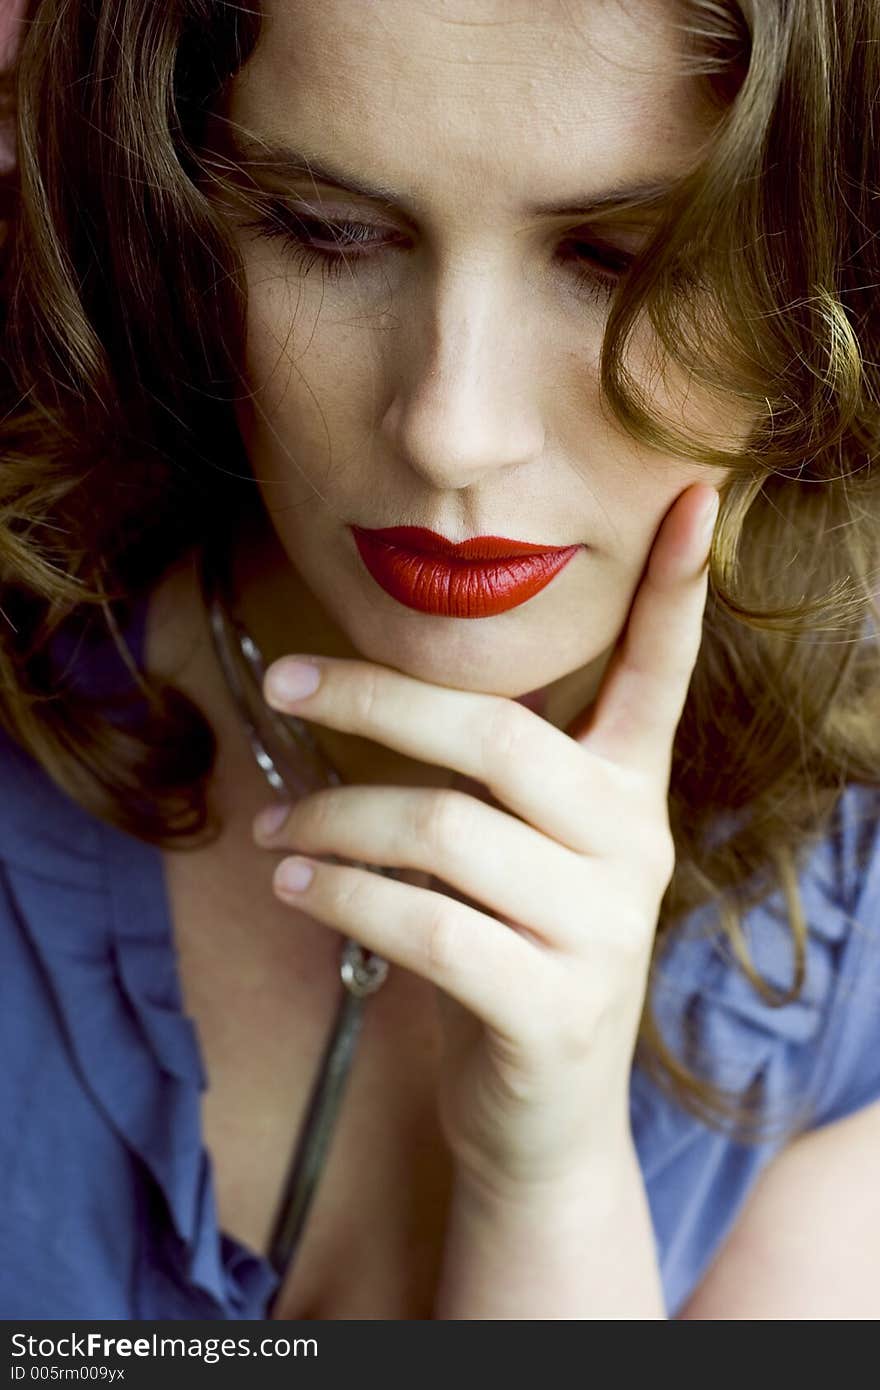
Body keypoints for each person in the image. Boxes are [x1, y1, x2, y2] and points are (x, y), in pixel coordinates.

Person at [0, 0, 878, 1321]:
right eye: (329, 233)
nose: (451, 429)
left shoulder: (850, 926)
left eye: (622, 257)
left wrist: (551, 1189)